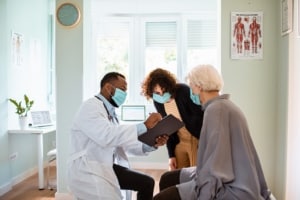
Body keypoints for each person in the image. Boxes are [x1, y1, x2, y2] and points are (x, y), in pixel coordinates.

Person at [153, 64, 273, 200]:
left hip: (231, 187)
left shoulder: (216, 111)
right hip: (227, 173)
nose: (190, 90)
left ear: (199, 86)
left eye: (191, 86)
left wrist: (203, 196)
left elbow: (215, 169)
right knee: (167, 178)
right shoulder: (224, 106)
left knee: (160, 198)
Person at [67, 72, 168, 200]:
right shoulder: (90, 107)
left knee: (146, 183)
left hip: (105, 166)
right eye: (122, 90)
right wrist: (145, 125)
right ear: (108, 88)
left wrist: (151, 144)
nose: (125, 95)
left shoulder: (111, 113)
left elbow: (122, 143)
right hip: (88, 170)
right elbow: (107, 136)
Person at [141, 68, 204, 170]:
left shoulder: (183, 91)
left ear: (169, 86)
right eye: (157, 93)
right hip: (179, 141)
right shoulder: (158, 102)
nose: (161, 95)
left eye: (164, 90)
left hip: (195, 139)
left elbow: (200, 116)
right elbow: (168, 128)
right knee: (177, 175)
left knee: (196, 175)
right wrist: (171, 155)